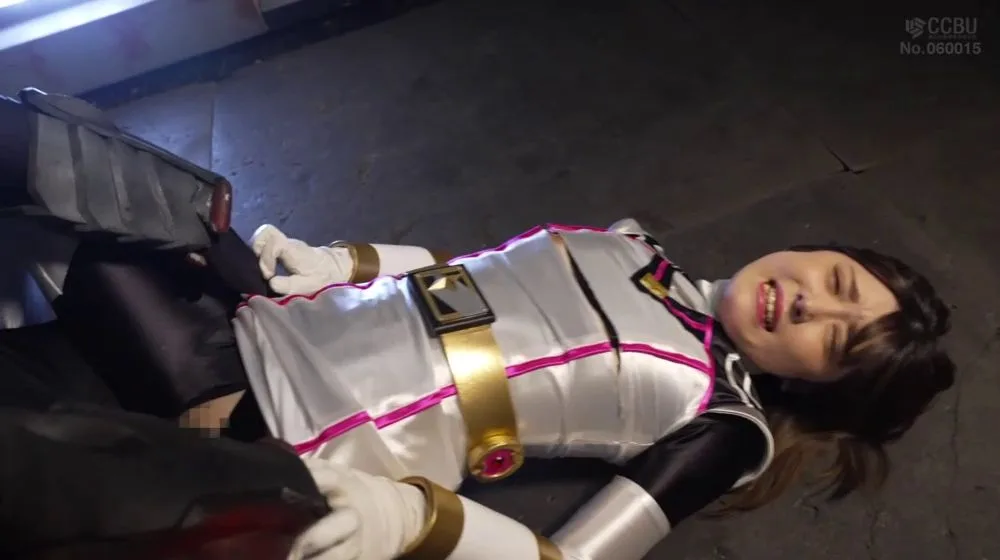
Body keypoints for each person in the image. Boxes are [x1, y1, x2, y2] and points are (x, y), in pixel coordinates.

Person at [0, 88, 955, 560]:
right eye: (836, 280)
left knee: (43, 467)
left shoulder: (725, 423)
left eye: (835, 338)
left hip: (284, 436)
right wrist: (345, 263)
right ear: (815, 249)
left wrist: (415, 518)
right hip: (251, 321)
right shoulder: (630, 246)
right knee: (71, 154)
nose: (810, 302)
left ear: (817, 382)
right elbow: (468, 285)